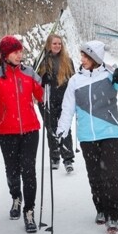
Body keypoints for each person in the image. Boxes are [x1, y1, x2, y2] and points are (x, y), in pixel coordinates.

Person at [56, 40, 118, 233]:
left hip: (111, 132)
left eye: (86, 56)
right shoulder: (75, 81)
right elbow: (67, 108)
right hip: (87, 136)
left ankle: (113, 215)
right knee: (95, 175)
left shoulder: (110, 74)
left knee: (111, 174)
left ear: (95, 58)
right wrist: (62, 130)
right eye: (82, 56)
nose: (82, 59)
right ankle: (100, 208)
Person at [0, 35, 44, 234]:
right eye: (15, 52)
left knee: (29, 171)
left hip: (30, 130)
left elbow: (42, 96)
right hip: (7, 132)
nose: (19, 55)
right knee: (12, 172)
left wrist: (45, 84)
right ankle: (16, 197)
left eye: (20, 51)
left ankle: (29, 211)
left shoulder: (29, 72)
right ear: (5, 55)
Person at [37, 34, 76, 173]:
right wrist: (43, 80)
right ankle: (54, 156)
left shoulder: (68, 61)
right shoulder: (41, 61)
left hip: (64, 100)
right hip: (47, 100)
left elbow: (73, 80)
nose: (57, 46)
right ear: (49, 44)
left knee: (65, 128)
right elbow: (34, 80)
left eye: (59, 43)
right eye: (54, 43)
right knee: (51, 129)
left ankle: (68, 159)